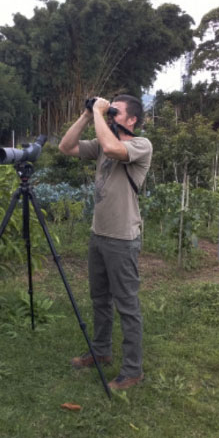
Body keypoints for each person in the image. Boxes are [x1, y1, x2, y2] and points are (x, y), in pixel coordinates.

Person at [58, 94, 152, 390]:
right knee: (100, 299)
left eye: (116, 112)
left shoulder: (141, 145)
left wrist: (100, 112)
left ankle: (133, 370)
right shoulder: (102, 142)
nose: (111, 116)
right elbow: (66, 147)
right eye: (110, 111)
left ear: (132, 119)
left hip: (123, 238)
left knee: (127, 305)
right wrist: (88, 115)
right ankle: (100, 351)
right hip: (98, 234)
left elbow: (113, 149)